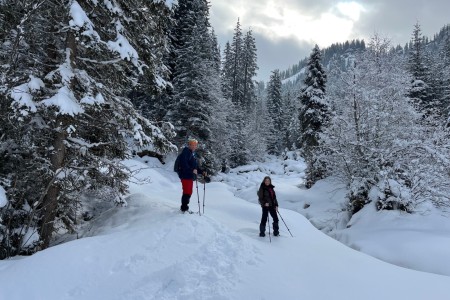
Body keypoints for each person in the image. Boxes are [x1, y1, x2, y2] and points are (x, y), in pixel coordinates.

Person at [178, 138, 205, 213]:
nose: (193, 146)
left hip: (189, 176)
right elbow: (184, 165)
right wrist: (192, 170)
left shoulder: (191, 153)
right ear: (189, 145)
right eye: (192, 145)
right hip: (185, 175)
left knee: (188, 192)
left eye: (195, 145)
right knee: (187, 192)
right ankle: (184, 209)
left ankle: (184, 208)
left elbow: (194, 166)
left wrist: (202, 172)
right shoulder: (186, 152)